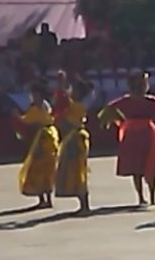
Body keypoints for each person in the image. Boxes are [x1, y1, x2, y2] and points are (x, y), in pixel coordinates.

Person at [99, 71, 155, 206]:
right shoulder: (150, 100)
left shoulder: (125, 101)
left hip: (131, 133)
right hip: (147, 133)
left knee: (136, 167)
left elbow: (108, 110)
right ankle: (152, 197)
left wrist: (119, 120)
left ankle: (141, 197)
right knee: (151, 163)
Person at [12, 81, 59, 209]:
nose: (33, 96)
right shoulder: (42, 106)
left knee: (42, 169)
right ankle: (44, 199)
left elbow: (27, 121)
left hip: (43, 138)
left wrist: (17, 116)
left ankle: (45, 199)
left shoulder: (40, 107)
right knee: (40, 169)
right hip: (45, 138)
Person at [54, 78, 92, 215]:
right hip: (71, 139)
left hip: (75, 140)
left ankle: (84, 205)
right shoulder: (74, 105)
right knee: (75, 172)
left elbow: (63, 110)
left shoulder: (76, 106)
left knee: (78, 172)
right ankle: (83, 205)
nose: (71, 92)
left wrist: (61, 86)